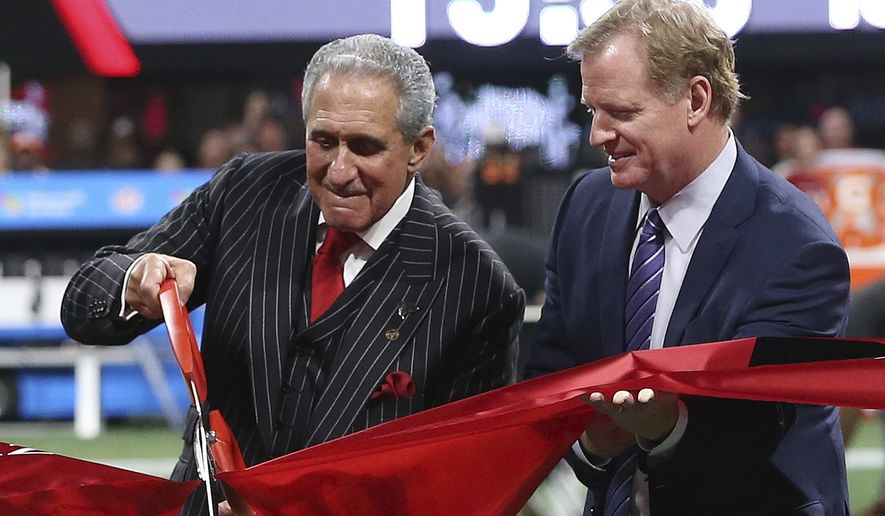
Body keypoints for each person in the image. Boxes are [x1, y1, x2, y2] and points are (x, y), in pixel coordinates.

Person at [61, 34, 524, 515]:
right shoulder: (244, 194)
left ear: (418, 148)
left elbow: (472, 491)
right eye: (323, 142)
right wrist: (134, 279)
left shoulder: (476, 287)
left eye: (364, 147)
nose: (340, 170)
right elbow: (82, 305)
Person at [524, 1, 851, 515]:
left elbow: (759, 434)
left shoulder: (796, 247)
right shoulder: (586, 205)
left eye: (623, 112)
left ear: (696, 99)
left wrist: (666, 429)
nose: (597, 135)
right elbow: (551, 370)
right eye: (593, 111)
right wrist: (590, 442)